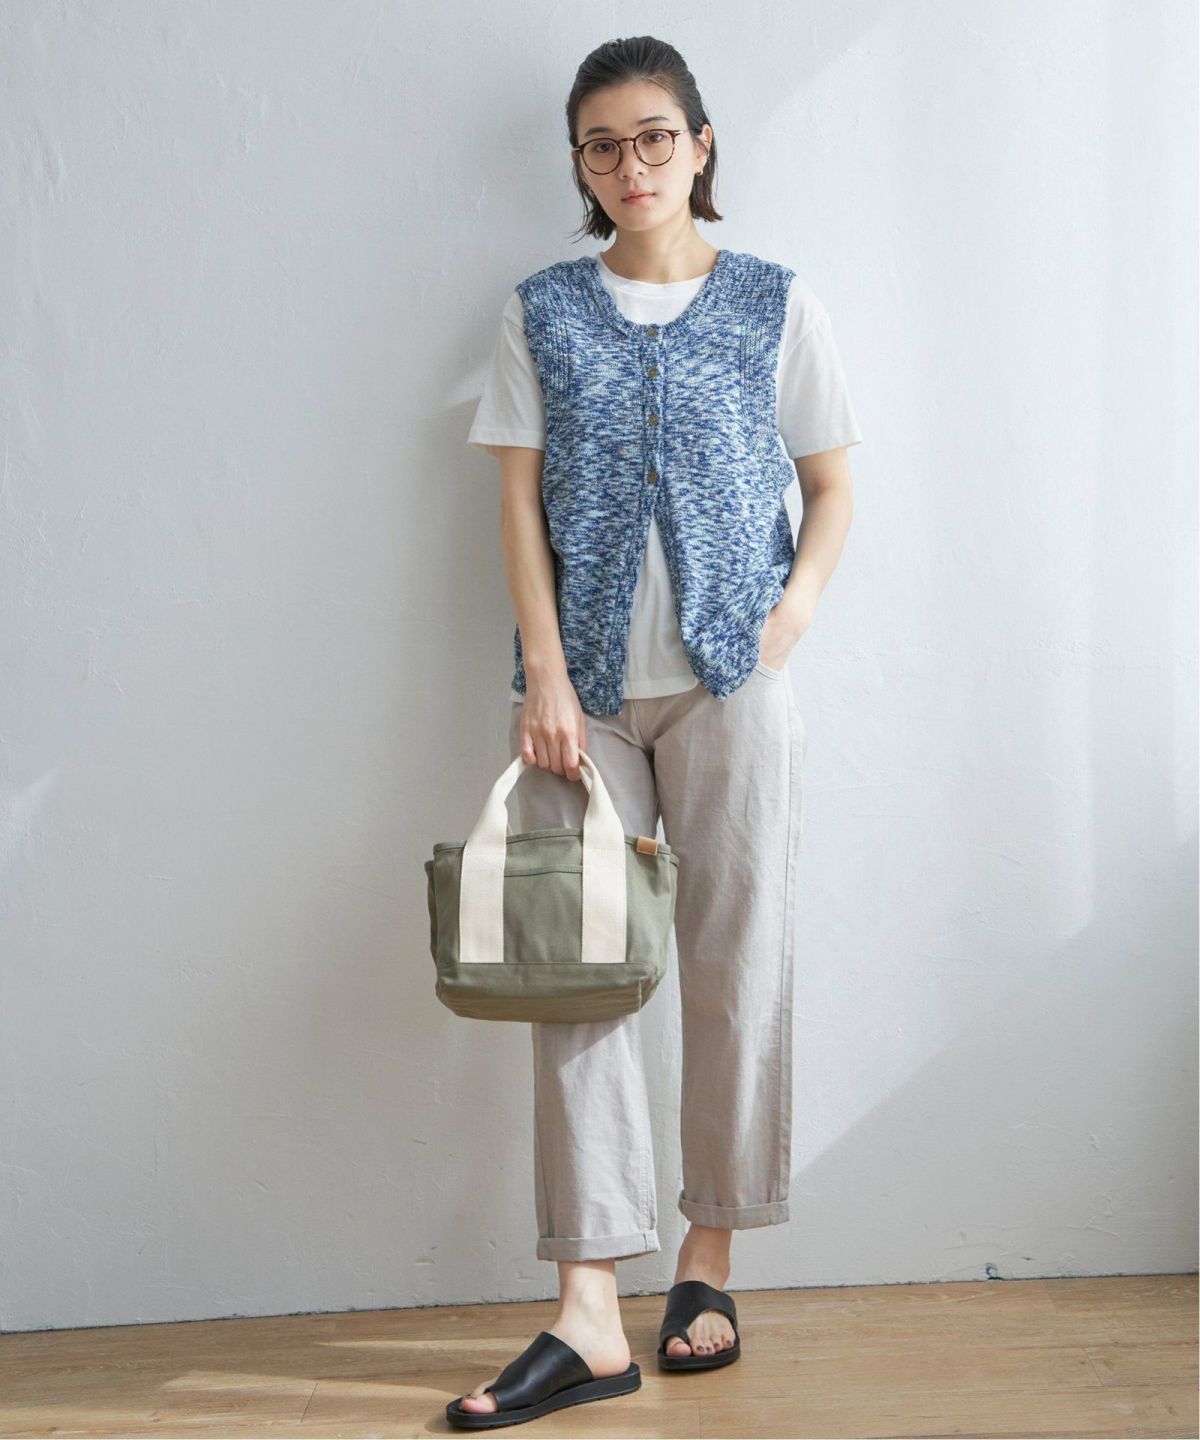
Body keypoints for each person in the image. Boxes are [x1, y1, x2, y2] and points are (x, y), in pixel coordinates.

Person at [448, 33, 862, 1430]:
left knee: (735, 964)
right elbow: (516, 502)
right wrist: (545, 678)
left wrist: (787, 623)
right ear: (580, 164)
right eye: (602, 145)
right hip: (582, 705)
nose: (631, 165)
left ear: (700, 144)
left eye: (654, 137)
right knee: (575, 975)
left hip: (734, 686)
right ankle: (586, 1308)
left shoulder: (775, 303)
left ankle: (707, 1261)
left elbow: (834, 484)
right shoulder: (542, 312)